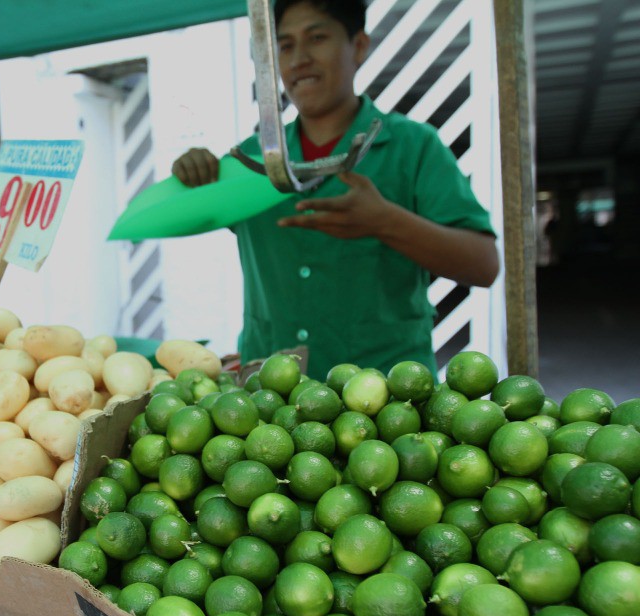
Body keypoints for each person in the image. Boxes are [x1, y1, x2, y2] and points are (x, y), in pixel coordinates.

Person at [171, 0, 499, 381]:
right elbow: (174, 216)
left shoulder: (414, 147)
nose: (299, 59)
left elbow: (483, 264)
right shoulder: (249, 162)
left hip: (387, 402)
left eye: (317, 38)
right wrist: (189, 178)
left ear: (358, 46)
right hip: (268, 404)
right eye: (286, 45)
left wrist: (387, 222)